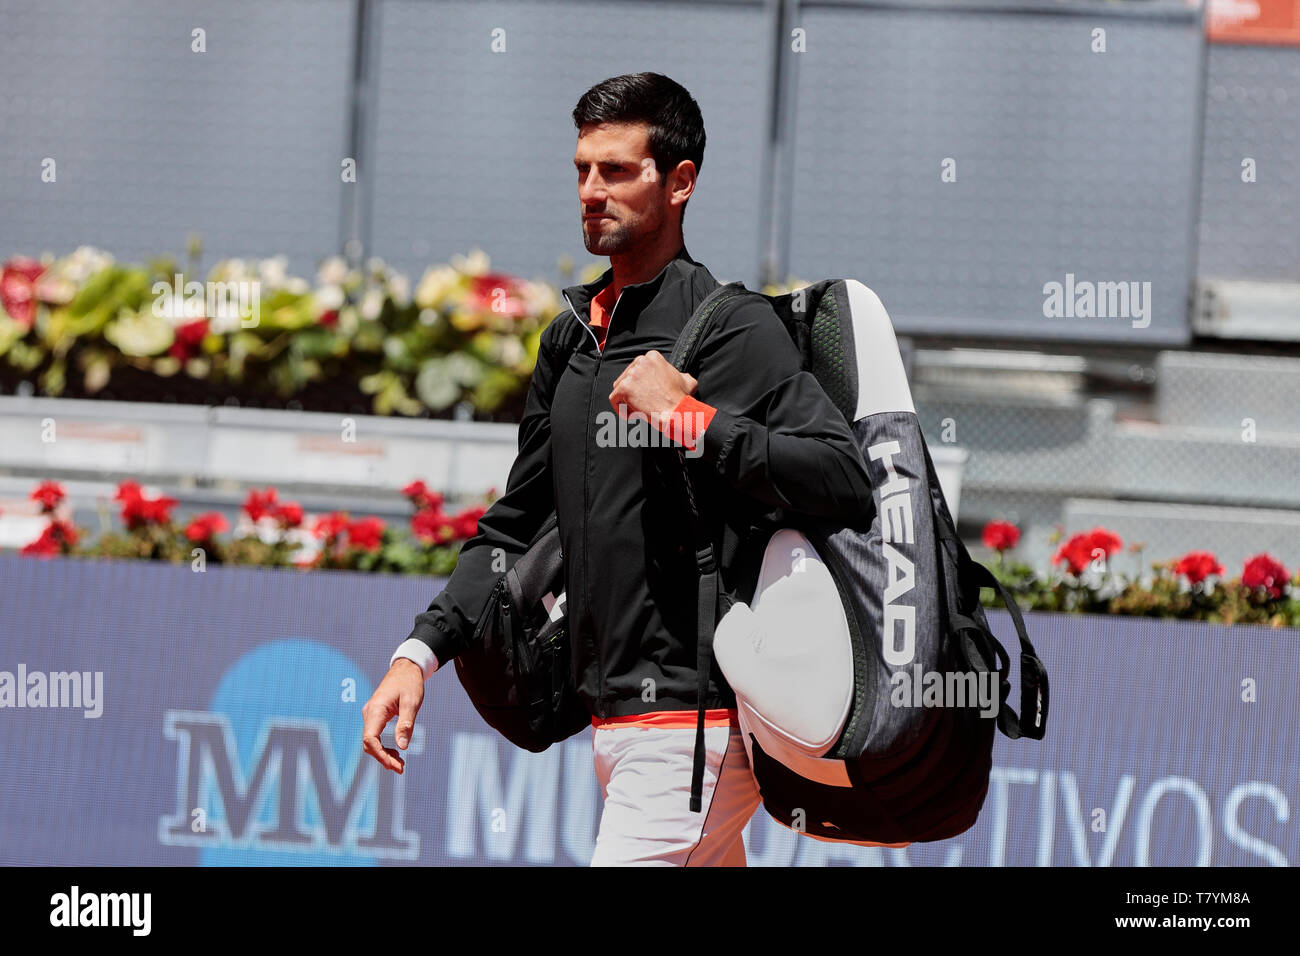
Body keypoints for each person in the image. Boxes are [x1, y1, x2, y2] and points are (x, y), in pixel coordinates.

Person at [362, 72, 873, 866]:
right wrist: (419, 651)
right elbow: (517, 522)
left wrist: (694, 422)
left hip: (696, 727)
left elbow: (842, 478)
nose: (591, 191)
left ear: (680, 183)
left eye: (616, 171)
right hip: (612, 722)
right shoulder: (568, 340)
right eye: (581, 171)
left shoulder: (733, 328)